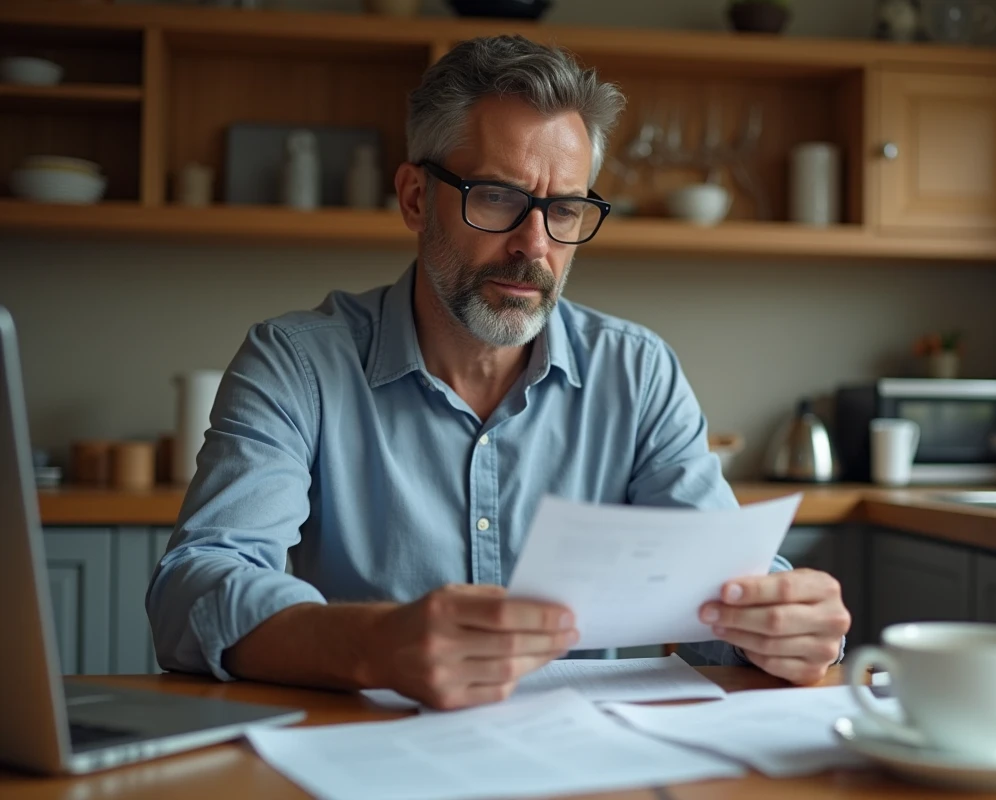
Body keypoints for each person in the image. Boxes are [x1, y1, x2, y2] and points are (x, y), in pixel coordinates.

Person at [146, 35, 850, 711]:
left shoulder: (637, 374)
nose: (535, 246)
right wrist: (376, 645)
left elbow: (715, 594)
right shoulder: (296, 364)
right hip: (373, 749)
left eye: (565, 209)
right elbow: (193, 591)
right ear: (416, 198)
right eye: (497, 198)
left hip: (583, 763)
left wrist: (779, 625)